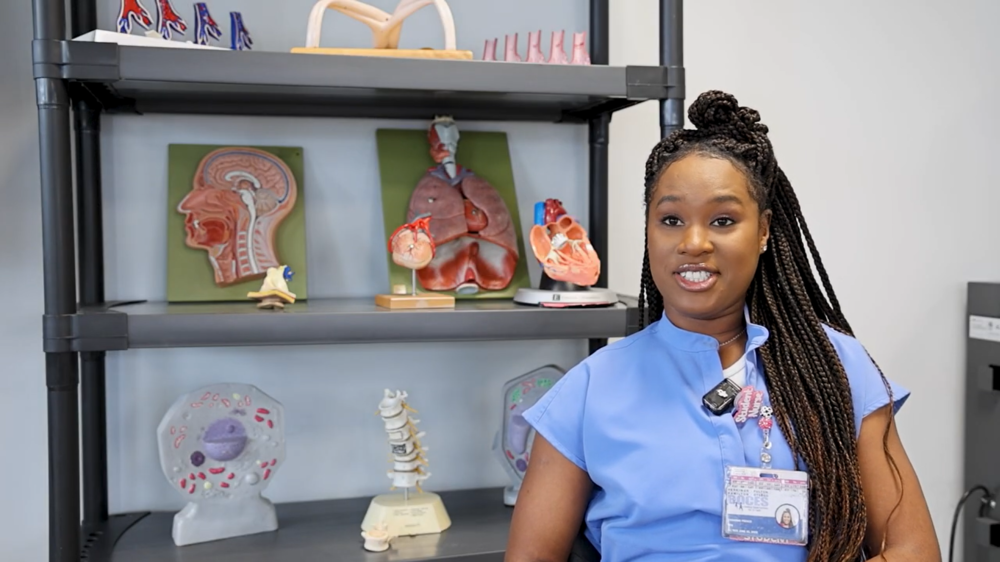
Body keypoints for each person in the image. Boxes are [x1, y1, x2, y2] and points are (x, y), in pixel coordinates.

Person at [505, 91, 940, 562]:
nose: (694, 242)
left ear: (764, 230)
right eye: (671, 219)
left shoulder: (836, 366)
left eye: (723, 220)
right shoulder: (589, 389)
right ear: (649, 230)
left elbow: (913, 551)